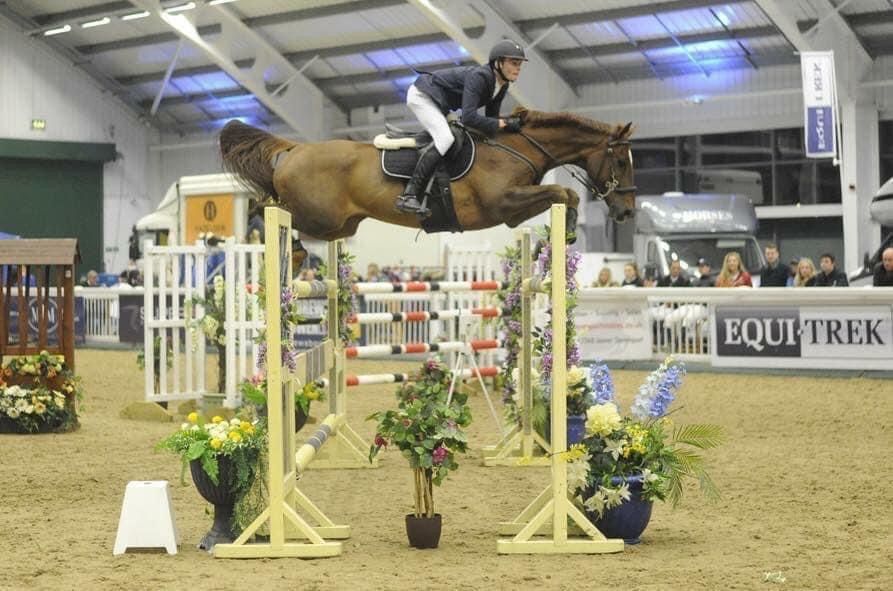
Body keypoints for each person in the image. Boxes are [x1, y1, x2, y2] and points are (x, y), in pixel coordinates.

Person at [395, 39, 528, 216]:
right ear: (498, 63)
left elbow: (491, 121)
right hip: (423, 95)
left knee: (460, 136)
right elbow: (469, 118)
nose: (518, 68)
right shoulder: (480, 77)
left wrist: (508, 125)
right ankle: (408, 195)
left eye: (519, 64)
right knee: (445, 138)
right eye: (513, 63)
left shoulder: (501, 86)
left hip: (440, 104)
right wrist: (503, 123)